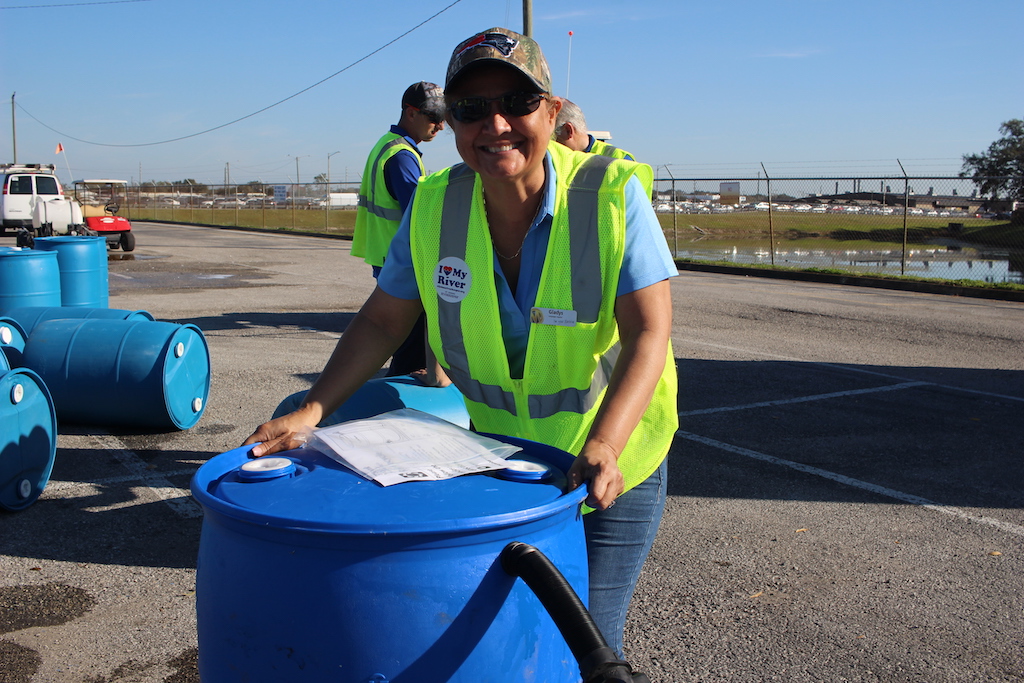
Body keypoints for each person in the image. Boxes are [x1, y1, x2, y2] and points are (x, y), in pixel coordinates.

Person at [244, 27, 678, 657]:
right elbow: (382, 322)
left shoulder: (611, 196)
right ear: (451, 123)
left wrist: (607, 445)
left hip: (614, 463)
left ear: (552, 112)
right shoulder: (435, 205)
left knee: (583, 641)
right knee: (508, 639)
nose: (495, 123)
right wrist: (312, 407)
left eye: (517, 103)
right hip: (508, 462)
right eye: (471, 108)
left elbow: (649, 331)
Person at [351, 81, 447, 379]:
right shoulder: (402, 156)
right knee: (411, 340)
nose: (440, 126)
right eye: (434, 118)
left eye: (443, 119)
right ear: (410, 112)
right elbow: (420, 216)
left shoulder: (388, 144)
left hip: (387, 253)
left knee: (404, 336)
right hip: (405, 259)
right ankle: (401, 400)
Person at [554, 98, 637, 161]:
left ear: (568, 130)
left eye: (551, 139)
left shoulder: (621, 160)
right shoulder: (551, 163)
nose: (549, 147)